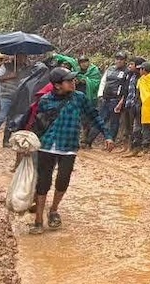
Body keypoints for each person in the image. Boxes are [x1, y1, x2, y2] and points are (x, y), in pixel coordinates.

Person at [30, 67, 115, 234]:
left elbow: (95, 115)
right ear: (57, 85)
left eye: (73, 80)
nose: (73, 83)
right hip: (47, 145)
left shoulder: (79, 98)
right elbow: (37, 123)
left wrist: (108, 135)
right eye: (69, 81)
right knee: (43, 182)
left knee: (63, 180)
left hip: (69, 146)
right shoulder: (45, 100)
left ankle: (53, 210)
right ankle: (38, 219)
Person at [4, 54, 56, 147]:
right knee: (16, 120)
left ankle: (20, 141)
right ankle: (8, 140)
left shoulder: (33, 75)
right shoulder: (30, 77)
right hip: (22, 102)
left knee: (22, 121)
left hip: (29, 104)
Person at [92, 52, 131, 145]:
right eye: (117, 59)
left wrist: (122, 101)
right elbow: (103, 82)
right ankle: (88, 141)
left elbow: (126, 88)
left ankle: (111, 142)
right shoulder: (110, 69)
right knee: (100, 120)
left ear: (125, 61)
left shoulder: (127, 72)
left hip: (116, 100)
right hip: (105, 98)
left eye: (121, 59)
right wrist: (100, 95)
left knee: (114, 122)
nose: (119, 61)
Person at [133, 61, 150, 152]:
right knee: (137, 126)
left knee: (147, 127)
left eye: (140, 69)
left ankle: (145, 147)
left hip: (148, 106)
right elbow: (137, 93)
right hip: (139, 105)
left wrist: (145, 102)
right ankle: (136, 147)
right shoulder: (141, 79)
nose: (139, 71)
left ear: (144, 70)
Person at [121, 57, 144, 145]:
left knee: (137, 126)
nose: (129, 66)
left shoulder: (141, 77)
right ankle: (129, 146)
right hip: (128, 103)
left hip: (137, 104)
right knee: (128, 126)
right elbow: (126, 90)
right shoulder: (130, 75)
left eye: (132, 64)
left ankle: (136, 146)